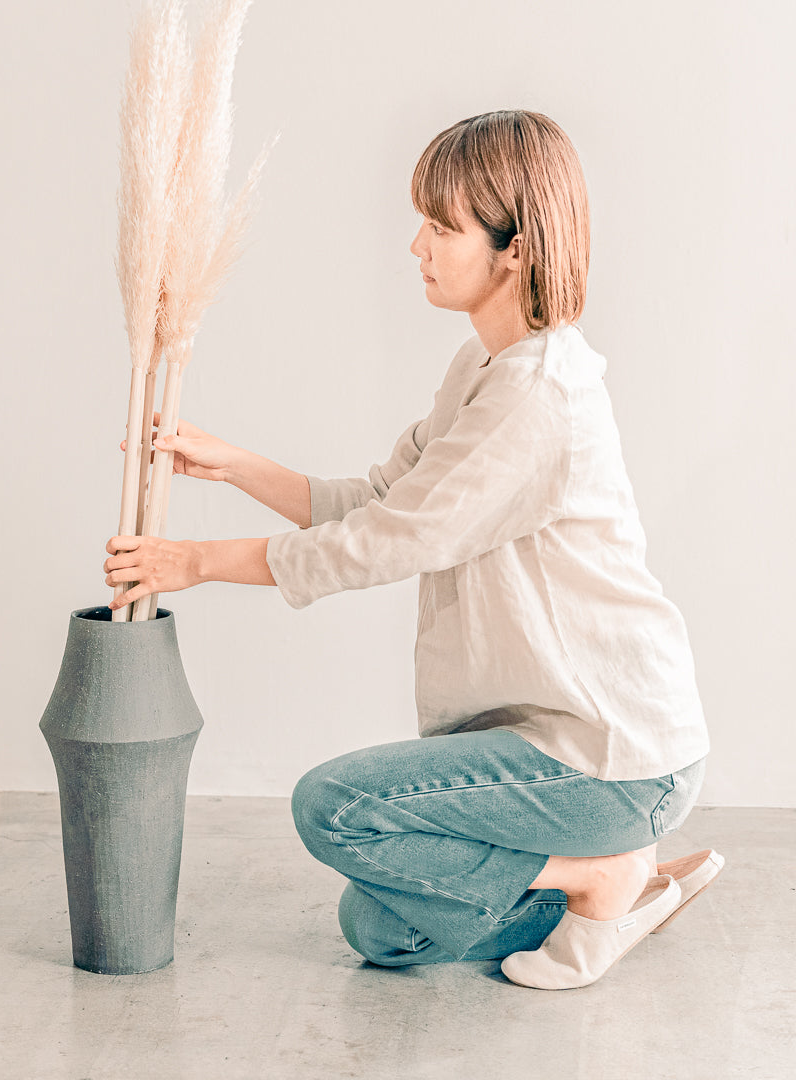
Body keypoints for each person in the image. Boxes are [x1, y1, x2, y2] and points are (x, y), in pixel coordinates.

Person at [104, 109, 722, 990]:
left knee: (334, 808)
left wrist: (197, 562)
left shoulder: (539, 398)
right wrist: (232, 464)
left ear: (514, 249)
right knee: (382, 928)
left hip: (609, 757)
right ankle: (616, 887)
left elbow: (390, 540)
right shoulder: (484, 369)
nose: (416, 246)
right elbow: (380, 500)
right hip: (551, 742)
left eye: (442, 225)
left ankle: (602, 875)